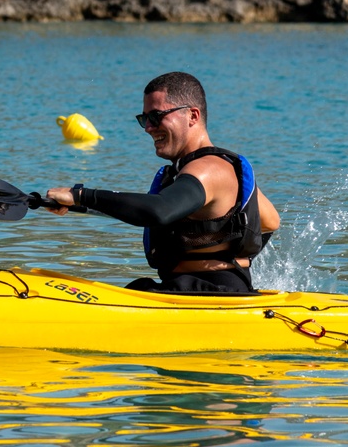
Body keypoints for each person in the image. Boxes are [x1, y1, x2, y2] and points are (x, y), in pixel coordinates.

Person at [46, 71, 280, 294]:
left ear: (193, 116)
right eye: (144, 118)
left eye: (156, 116)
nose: (148, 127)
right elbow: (270, 221)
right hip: (191, 289)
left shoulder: (209, 170)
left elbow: (159, 210)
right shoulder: (215, 168)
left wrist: (81, 195)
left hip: (207, 294)